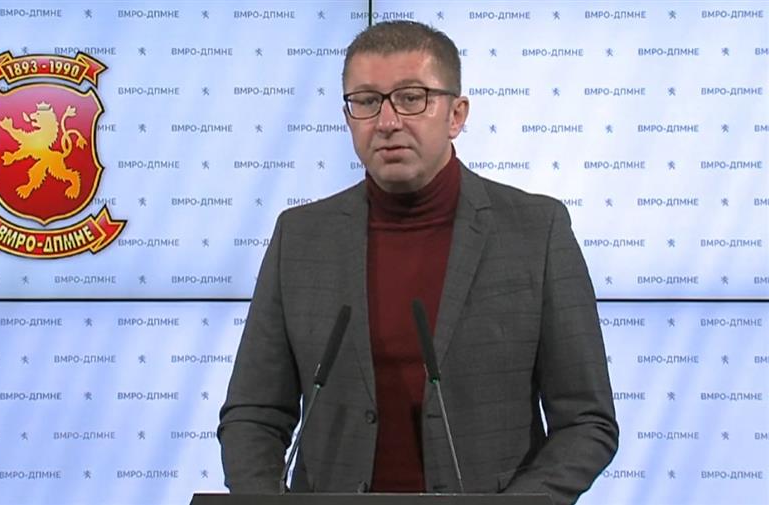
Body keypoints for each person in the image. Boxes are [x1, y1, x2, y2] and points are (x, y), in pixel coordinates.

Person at [218, 20, 618, 505]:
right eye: (367, 101)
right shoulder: (300, 237)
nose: (387, 122)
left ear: (456, 114)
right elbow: (253, 414)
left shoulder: (536, 231)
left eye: (411, 98)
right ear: (348, 117)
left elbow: (587, 422)